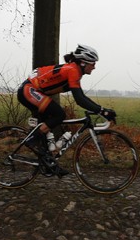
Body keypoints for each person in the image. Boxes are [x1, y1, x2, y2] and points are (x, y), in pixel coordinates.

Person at [17, 44, 117, 176]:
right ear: (83, 62)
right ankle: (31, 140)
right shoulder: (73, 70)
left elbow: (82, 97)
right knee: (59, 115)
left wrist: (100, 109)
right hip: (29, 91)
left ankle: (48, 164)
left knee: (48, 126)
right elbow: (80, 100)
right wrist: (102, 111)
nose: (94, 66)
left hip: (34, 91)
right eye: (93, 63)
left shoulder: (74, 70)